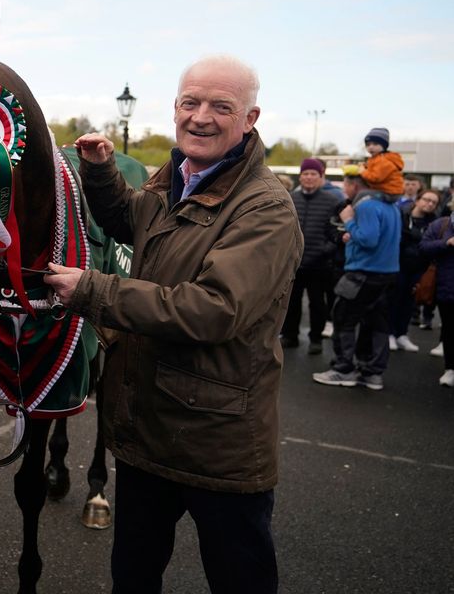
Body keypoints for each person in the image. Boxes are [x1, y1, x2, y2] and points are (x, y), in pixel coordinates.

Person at [44, 55, 302, 594]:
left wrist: (91, 289)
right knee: (133, 579)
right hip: (149, 432)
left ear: (250, 118)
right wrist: (100, 174)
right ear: (176, 108)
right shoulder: (179, 176)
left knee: (240, 581)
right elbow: (134, 222)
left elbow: (212, 310)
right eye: (191, 103)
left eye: (220, 106)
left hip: (218, 446)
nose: (201, 117)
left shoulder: (266, 208)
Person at [312, 171, 401, 390]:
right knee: (376, 323)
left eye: (346, 184)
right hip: (385, 274)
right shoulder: (392, 206)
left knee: (343, 318)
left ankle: (343, 370)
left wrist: (349, 221)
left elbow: (368, 240)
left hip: (362, 273)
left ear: (355, 185)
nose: (344, 188)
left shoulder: (366, 206)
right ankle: (371, 373)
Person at [280, 157, 340, 354]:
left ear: (321, 177)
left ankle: (316, 339)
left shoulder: (332, 201)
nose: (309, 177)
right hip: (294, 263)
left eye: (313, 174)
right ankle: (290, 336)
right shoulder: (290, 199)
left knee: (317, 304)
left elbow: (336, 232)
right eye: (305, 174)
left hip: (320, 264)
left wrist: (326, 250)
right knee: (292, 302)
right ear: (300, 177)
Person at [389, 189, 439, 351]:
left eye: (434, 202)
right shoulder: (401, 215)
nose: (429, 204)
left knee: (409, 302)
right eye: (427, 199)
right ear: (417, 200)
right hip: (398, 264)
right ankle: (389, 333)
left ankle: (402, 334)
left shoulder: (434, 223)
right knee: (393, 300)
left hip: (419, 267)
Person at [419, 210, 454, 387]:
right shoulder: (442, 225)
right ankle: (450, 369)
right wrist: (446, 243)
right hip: (447, 286)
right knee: (449, 329)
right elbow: (424, 247)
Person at [358, 127, 404, 198]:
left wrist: (363, 171)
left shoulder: (383, 160)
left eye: (375, 144)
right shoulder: (375, 158)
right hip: (385, 190)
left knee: (362, 194)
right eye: (368, 145)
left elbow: (375, 178)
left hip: (390, 193)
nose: (371, 147)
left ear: (384, 146)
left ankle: (352, 208)